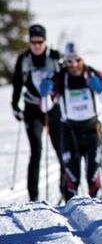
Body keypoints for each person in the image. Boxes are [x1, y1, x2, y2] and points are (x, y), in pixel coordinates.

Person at [40, 43, 102, 202]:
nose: (73, 64)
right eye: (69, 61)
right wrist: (45, 93)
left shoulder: (94, 74)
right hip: (69, 131)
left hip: (92, 130)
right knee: (72, 176)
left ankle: (99, 210)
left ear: (83, 59)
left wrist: (99, 89)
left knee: (93, 175)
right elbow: (46, 107)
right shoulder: (59, 77)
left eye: (77, 60)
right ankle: (71, 213)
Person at [11, 24, 64, 202]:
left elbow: (64, 80)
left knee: (61, 148)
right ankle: (33, 196)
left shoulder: (55, 57)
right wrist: (15, 105)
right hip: (32, 107)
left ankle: (66, 192)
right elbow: (17, 83)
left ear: (45, 41)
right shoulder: (23, 59)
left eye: (40, 41)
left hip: (52, 106)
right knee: (36, 150)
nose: (36, 45)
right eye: (33, 42)